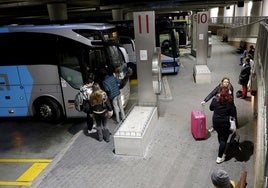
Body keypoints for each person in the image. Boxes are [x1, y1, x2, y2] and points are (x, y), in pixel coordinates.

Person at [210, 87, 236, 164]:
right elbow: (233, 113)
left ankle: (221, 146)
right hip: (224, 123)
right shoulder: (230, 101)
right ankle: (219, 157)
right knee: (224, 139)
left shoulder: (215, 100)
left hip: (216, 122)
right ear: (228, 93)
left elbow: (211, 108)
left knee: (219, 135)